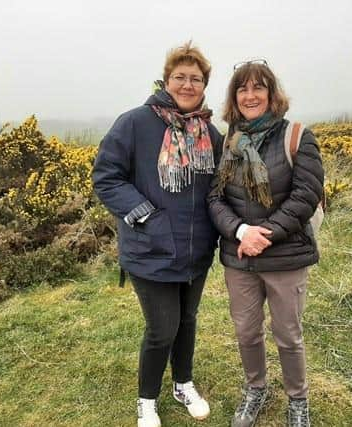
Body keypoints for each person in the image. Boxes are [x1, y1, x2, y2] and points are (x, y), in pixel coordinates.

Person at [92, 42, 223, 427]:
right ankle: (146, 400)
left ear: (204, 85)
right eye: (180, 77)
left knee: (188, 320)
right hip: (150, 249)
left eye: (195, 79)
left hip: (196, 250)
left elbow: (218, 187)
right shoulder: (135, 123)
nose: (187, 84)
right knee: (162, 327)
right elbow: (106, 176)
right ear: (167, 80)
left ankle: (183, 383)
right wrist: (144, 215)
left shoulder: (209, 131)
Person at [208, 59, 324, 427]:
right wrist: (242, 232)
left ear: (272, 94)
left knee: (288, 335)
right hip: (239, 256)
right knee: (246, 331)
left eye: (258, 87)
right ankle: (255, 389)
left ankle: (298, 399)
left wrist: (265, 235)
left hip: (286, 256)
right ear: (234, 97)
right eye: (242, 88)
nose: (250, 95)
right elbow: (214, 198)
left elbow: (306, 196)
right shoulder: (228, 142)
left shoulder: (297, 136)